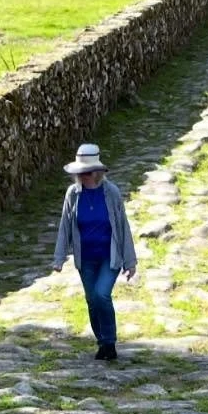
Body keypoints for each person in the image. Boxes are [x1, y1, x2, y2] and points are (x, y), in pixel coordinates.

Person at [52, 143, 137, 361]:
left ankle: (110, 341)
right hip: (86, 257)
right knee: (92, 300)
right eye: (80, 173)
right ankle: (102, 342)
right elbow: (65, 225)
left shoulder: (112, 193)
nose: (83, 177)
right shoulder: (73, 194)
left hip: (109, 255)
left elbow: (122, 226)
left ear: (97, 172)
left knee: (101, 294)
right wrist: (59, 257)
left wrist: (130, 260)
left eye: (86, 173)